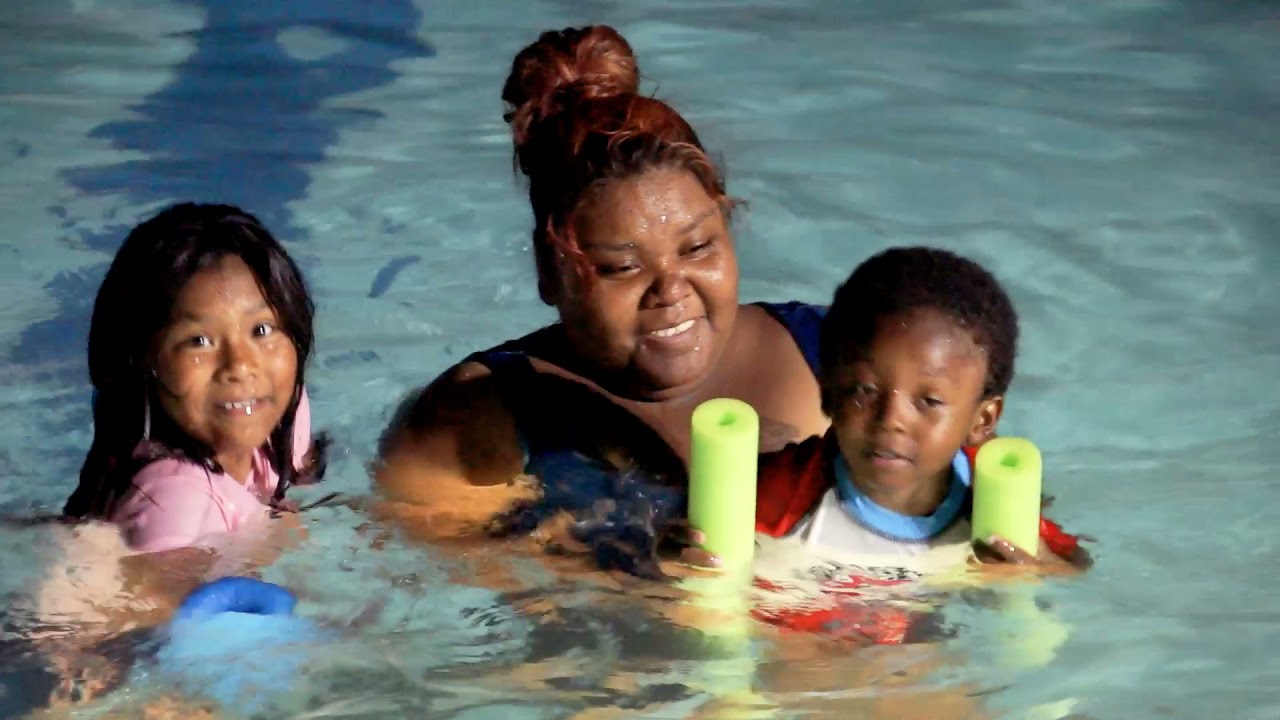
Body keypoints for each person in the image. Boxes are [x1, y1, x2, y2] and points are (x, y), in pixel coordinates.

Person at [375, 25, 829, 560]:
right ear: (550, 272)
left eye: (698, 247)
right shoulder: (472, 423)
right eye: (622, 267)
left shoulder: (843, 354)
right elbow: (409, 600)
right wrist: (621, 578)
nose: (671, 288)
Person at [744, 246, 1090, 644]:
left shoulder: (992, 503)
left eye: (929, 401)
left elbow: (1072, 568)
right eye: (864, 390)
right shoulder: (777, 498)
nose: (891, 419)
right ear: (827, 394)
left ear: (982, 421)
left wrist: (1035, 569)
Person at [62, 202, 330, 553]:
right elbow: (158, 607)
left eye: (262, 330)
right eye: (199, 341)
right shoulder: (173, 504)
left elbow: (303, 473)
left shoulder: (278, 412)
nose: (241, 364)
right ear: (142, 360)